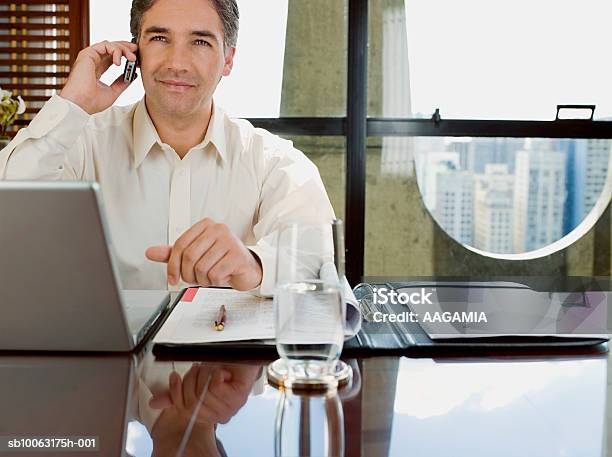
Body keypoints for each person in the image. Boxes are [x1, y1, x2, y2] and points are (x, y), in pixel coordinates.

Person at [0, 0, 334, 295]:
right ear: (135, 52)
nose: (177, 62)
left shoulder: (274, 163)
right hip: (101, 362)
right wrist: (73, 103)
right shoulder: (81, 142)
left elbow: (319, 264)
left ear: (228, 60)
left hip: (229, 364)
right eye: (160, 38)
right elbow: (9, 212)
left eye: (200, 41)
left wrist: (255, 266)